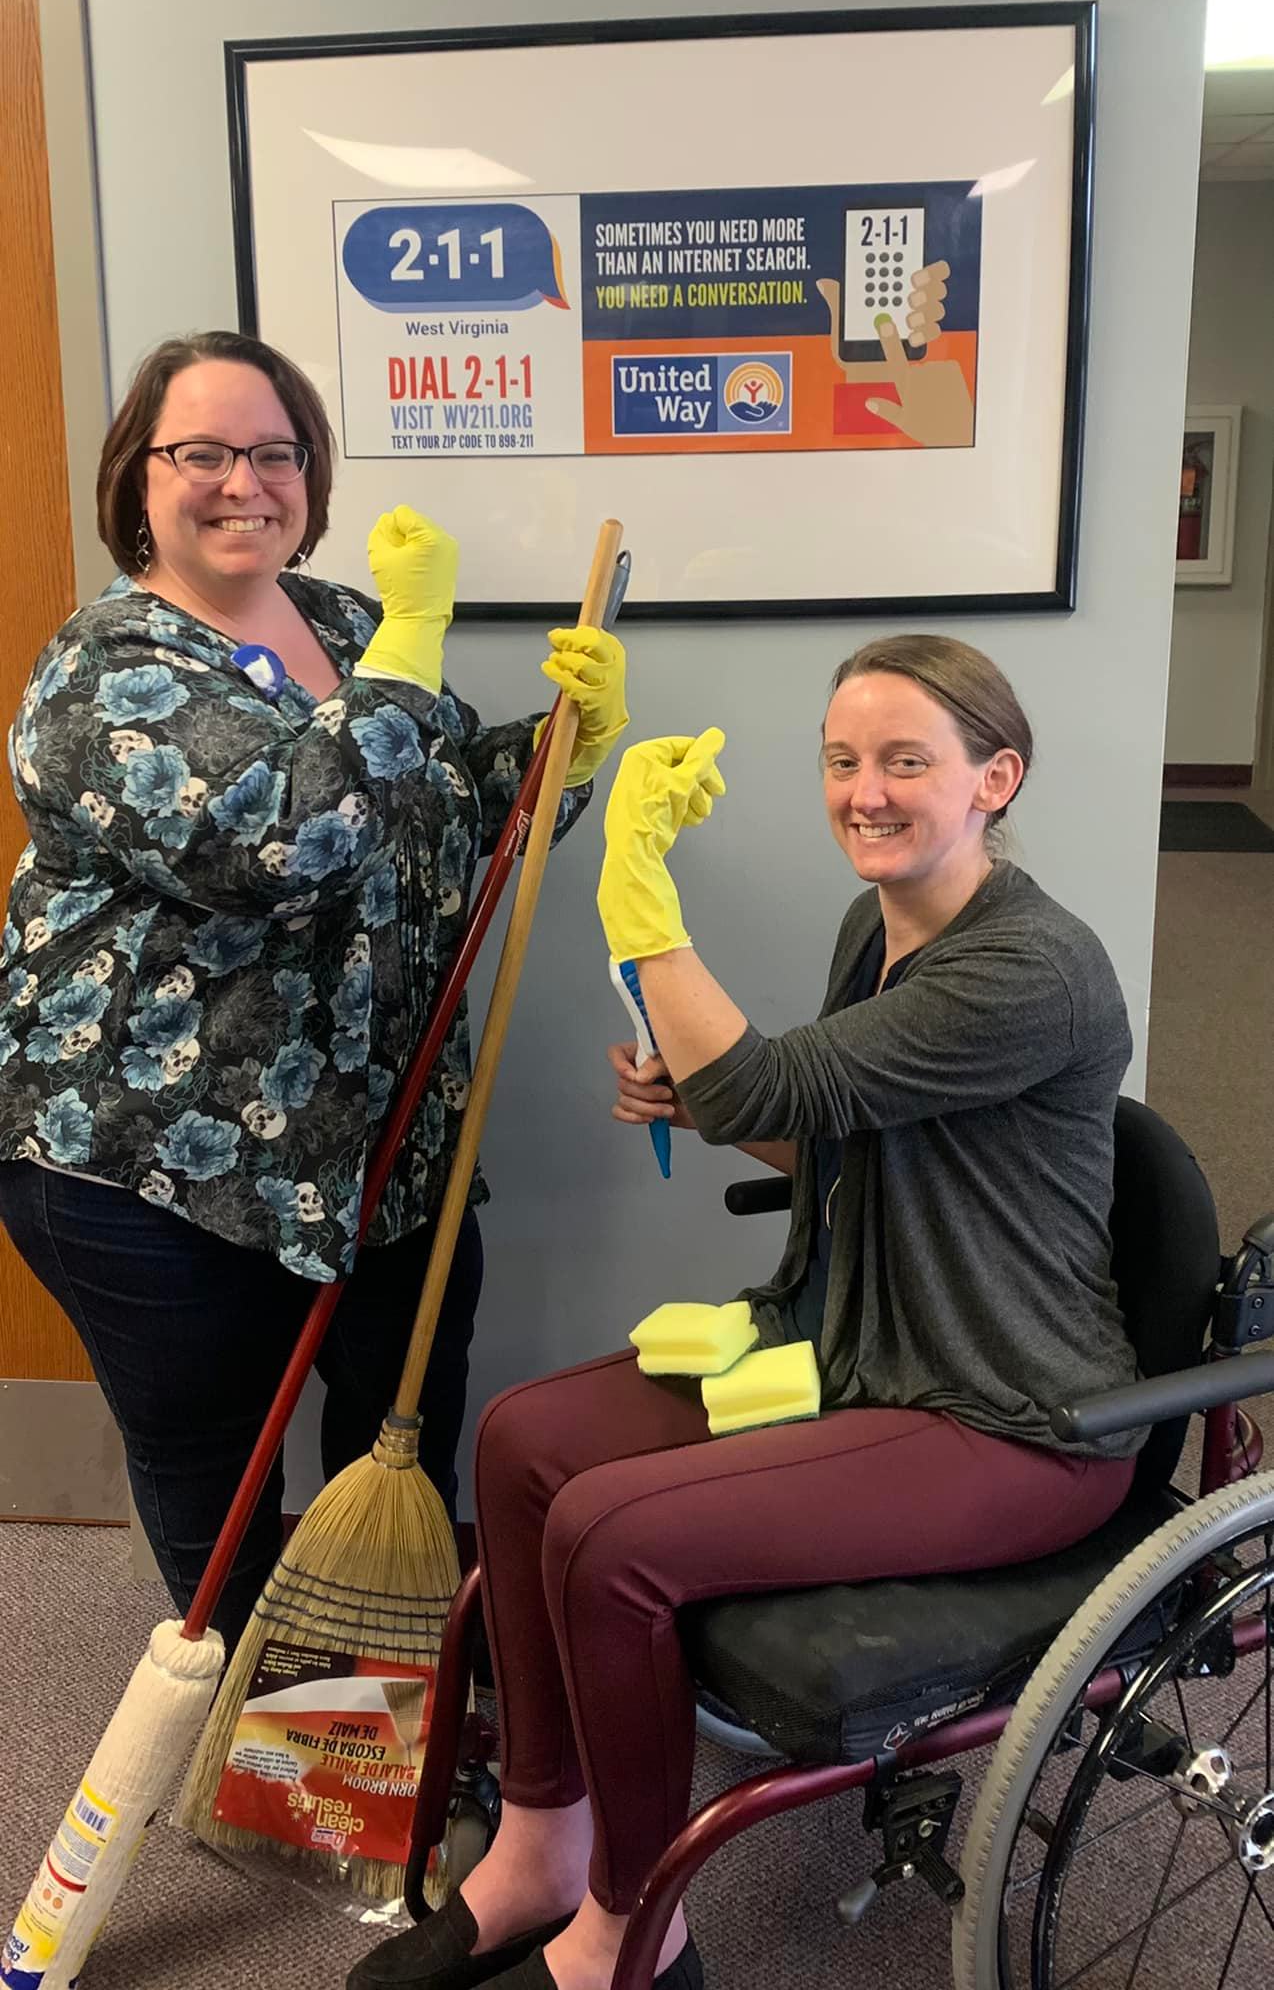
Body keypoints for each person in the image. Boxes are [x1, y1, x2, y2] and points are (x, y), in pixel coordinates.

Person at [349, 634, 1145, 1990]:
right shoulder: (877, 927)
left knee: (612, 1536)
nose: (864, 792)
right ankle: (544, 1837)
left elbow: (772, 1089)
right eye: (841, 761)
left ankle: (627, 1928)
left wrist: (638, 897)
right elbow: (822, 1134)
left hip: (1006, 1413)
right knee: (524, 1446)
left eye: (906, 761)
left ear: (992, 778)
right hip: (856, 1348)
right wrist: (702, 1103)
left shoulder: (1030, 970)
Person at [0, 329, 629, 1652]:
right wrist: (412, 643)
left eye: (274, 452)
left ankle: (359, 1706)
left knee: (398, 1431)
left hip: (380, 1159)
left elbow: (439, 828)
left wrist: (558, 752)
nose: (245, 482)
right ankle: (242, 1720)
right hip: (153, 1175)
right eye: (205, 452)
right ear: (139, 474)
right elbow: (283, 841)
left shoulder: (346, 622)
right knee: (220, 1474)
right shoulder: (104, 672)